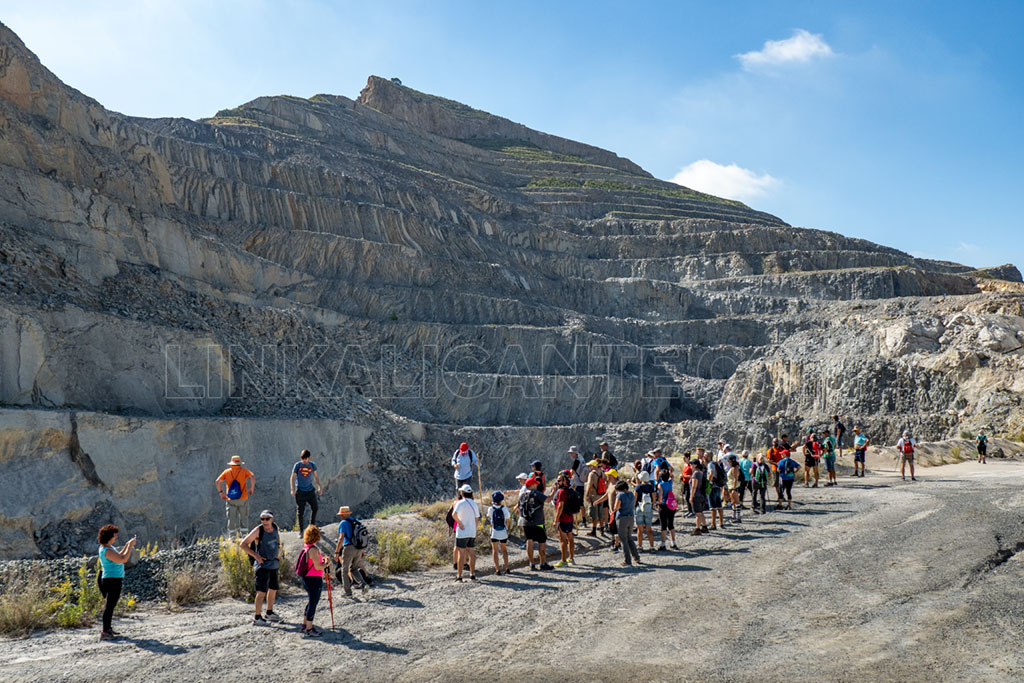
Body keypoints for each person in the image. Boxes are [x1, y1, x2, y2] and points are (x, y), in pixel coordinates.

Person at [240, 510, 282, 625]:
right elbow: (243, 544)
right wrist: (256, 556)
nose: (264, 521)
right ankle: (257, 617)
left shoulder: (275, 528)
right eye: (262, 519)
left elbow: (278, 542)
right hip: (262, 566)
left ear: (272, 519)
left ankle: (269, 612)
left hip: (273, 564)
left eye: (266, 519)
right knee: (261, 592)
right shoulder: (259, 530)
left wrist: (278, 553)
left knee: (273, 589)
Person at [96, 524, 136, 640]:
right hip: (111, 580)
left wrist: (128, 545)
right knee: (109, 606)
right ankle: (105, 632)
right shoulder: (107, 550)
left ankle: (108, 629)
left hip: (112, 579)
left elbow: (119, 555)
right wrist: (130, 547)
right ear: (108, 537)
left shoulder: (108, 547)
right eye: (114, 536)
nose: (115, 538)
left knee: (111, 606)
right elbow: (123, 559)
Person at [298, 525, 329, 637]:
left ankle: (305, 624)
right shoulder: (314, 549)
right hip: (314, 579)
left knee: (311, 601)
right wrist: (326, 564)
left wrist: (322, 561)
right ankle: (309, 629)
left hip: (306, 578)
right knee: (313, 602)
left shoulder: (306, 547)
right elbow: (318, 567)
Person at [518, 476, 553, 570]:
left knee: (529, 541)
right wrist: (554, 491)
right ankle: (543, 563)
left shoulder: (522, 495)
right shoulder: (537, 494)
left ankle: (531, 563)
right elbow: (548, 500)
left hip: (525, 522)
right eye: (535, 484)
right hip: (538, 522)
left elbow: (519, 508)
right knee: (542, 541)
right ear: (532, 485)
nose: (537, 485)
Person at [215, 455, 254, 537]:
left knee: (231, 517)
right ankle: (244, 534)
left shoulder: (226, 472)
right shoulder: (244, 471)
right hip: (243, 498)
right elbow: (252, 477)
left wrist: (221, 492)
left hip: (230, 499)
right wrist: (251, 488)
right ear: (240, 463)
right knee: (244, 516)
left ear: (231, 463)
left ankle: (232, 535)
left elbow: (218, 481)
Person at [334, 506, 369, 597]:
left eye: (341, 515)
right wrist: (362, 550)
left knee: (344, 570)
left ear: (343, 515)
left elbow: (341, 538)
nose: (340, 517)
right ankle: (364, 585)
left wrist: (337, 552)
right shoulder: (356, 521)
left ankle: (348, 592)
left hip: (349, 548)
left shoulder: (343, 523)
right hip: (359, 548)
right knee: (354, 569)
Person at [453, 484, 480, 581]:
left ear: (462, 493)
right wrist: (474, 528)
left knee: (461, 553)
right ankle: (472, 574)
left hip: (462, 532)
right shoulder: (474, 504)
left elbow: (454, 514)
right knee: (471, 552)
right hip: (471, 531)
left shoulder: (460, 503)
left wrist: (459, 523)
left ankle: (459, 576)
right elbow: (477, 518)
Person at [611, 480, 642, 567]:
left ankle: (627, 560)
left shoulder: (620, 495)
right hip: (631, 517)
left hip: (622, 518)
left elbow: (616, 507)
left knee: (623, 540)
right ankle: (636, 557)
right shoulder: (631, 494)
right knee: (629, 538)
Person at [290, 449, 322, 531]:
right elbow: (292, 477)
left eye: (305, 458)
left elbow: (316, 476)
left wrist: (319, 486)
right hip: (300, 492)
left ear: (309, 457)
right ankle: (301, 531)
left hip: (310, 491)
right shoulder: (297, 465)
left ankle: (312, 526)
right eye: (302, 458)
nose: (304, 460)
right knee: (300, 512)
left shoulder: (312, 465)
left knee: (315, 508)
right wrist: (292, 489)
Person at [552, 473, 576, 567]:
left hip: (563, 519)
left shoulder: (561, 491)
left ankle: (563, 560)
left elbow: (560, 506)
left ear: (565, 481)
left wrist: (556, 519)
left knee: (562, 540)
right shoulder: (569, 490)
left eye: (559, 480)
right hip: (570, 517)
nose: (557, 482)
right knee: (570, 538)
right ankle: (571, 558)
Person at [488, 491, 511, 575]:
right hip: (503, 531)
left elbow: (489, 517)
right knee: (504, 550)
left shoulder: (491, 509)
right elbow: (507, 519)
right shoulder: (504, 508)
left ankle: (497, 569)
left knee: (495, 550)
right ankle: (507, 567)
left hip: (494, 532)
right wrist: (507, 528)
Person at [655, 469, 678, 549]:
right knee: (671, 524)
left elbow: (660, 496)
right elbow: (672, 477)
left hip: (664, 505)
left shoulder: (660, 485)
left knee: (663, 525)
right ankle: (673, 542)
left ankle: (663, 543)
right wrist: (670, 471)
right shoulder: (670, 483)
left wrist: (658, 503)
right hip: (671, 505)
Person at [633, 471, 656, 551]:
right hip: (648, 508)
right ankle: (652, 546)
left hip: (639, 507)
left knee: (640, 529)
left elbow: (634, 500)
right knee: (649, 529)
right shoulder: (651, 487)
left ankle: (640, 546)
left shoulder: (638, 487)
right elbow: (654, 499)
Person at [584, 460, 607, 537]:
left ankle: (594, 531)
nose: (589, 467)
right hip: (601, 496)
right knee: (601, 514)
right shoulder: (602, 473)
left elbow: (589, 485)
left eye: (590, 466)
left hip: (594, 497)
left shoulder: (592, 474)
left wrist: (587, 495)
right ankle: (602, 530)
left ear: (593, 466)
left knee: (594, 515)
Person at [567, 446, 587, 527]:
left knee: (574, 502)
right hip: (581, 483)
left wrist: (566, 476)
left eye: (571, 453)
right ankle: (584, 520)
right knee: (581, 503)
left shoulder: (577, 461)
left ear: (575, 453)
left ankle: (573, 522)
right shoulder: (582, 459)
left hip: (577, 484)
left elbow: (572, 472)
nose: (571, 454)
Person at [706, 454, 726, 530]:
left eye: (705, 456)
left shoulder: (710, 464)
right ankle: (721, 523)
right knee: (719, 506)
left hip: (712, 487)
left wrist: (708, 483)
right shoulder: (716, 464)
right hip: (718, 487)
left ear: (709, 457)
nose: (704, 458)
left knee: (712, 507)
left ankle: (713, 524)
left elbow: (711, 473)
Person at [689, 460, 709, 535]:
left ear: (695, 465)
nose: (690, 465)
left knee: (697, 513)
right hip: (702, 495)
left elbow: (694, 486)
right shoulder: (701, 473)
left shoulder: (695, 474)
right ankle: (704, 526)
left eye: (691, 464)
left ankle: (697, 528)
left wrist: (691, 496)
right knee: (701, 512)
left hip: (696, 495)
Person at [727, 456, 743, 523]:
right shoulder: (733, 468)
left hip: (734, 487)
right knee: (733, 502)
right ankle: (734, 516)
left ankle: (738, 517)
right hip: (731, 487)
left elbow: (735, 479)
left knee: (737, 502)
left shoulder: (734, 469)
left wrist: (734, 488)